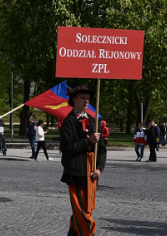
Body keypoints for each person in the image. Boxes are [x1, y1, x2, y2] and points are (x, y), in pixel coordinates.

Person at [59, 85, 106, 236]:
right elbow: (66, 149)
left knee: (87, 210)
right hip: (75, 172)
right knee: (81, 212)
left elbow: (102, 149)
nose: (86, 101)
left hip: (91, 172)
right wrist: (88, 141)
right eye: (82, 98)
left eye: (88, 98)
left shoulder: (93, 121)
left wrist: (99, 169)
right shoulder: (68, 122)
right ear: (74, 99)